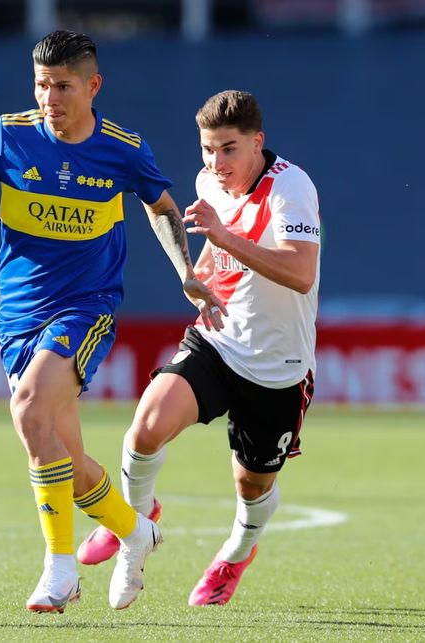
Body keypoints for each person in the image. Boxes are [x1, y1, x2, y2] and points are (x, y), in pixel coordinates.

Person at [0, 30, 222, 612]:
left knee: (28, 414)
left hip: (85, 308)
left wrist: (185, 273)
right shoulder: (7, 136)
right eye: (42, 84)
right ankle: (135, 529)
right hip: (16, 317)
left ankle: (60, 569)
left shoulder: (123, 148)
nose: (50, 97)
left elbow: (162, 208)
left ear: (93, 86)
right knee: (61, 455)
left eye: (64, 86)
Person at [76, 89, 321, 606]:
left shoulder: (292, 189)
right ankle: (132, 531)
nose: (215, 162)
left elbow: (300, 274)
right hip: (218, 338)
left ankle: (236, 552)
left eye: (229, 149)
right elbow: (216, 245)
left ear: (258, 141)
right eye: (208, 149)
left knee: (252, 487)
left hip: (278, 366)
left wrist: (222, 238)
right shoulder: (209, 180)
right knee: (145, 427)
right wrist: (198, 275)